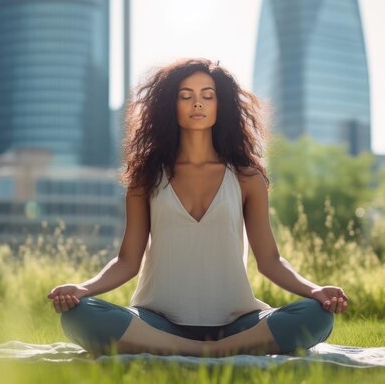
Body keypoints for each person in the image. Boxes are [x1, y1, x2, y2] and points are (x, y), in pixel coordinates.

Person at [47, 58, 348, 357]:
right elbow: (127, 261)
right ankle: (209, 351)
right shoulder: (146, 177)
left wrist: (314, 290)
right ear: (170, 105)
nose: (197, 104)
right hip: (157, 320)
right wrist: (83, 289)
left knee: (316, 315)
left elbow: (270, 260)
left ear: (221, 105)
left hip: (236, 321)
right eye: (185, 96)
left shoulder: (247, 177)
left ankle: (200, 350)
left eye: (208, 95)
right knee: (79, 315)